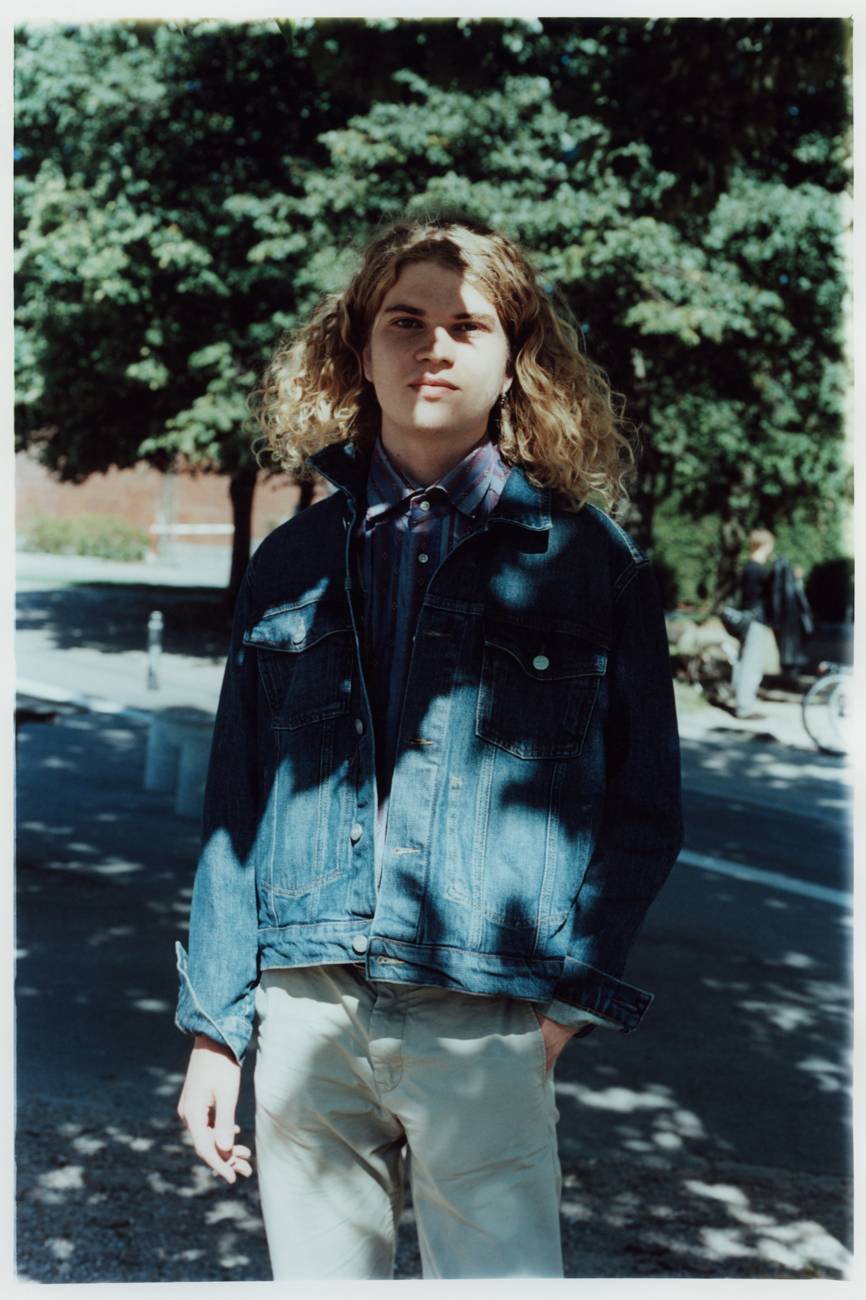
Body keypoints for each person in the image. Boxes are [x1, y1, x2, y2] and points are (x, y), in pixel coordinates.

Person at [175, 217, 683, 1280]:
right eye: (404, 321)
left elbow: (641, 810)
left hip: (488, 1010)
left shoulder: (590, 563)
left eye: (467, 324)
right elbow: (236, 804)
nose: (433, 346)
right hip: (306, 1008)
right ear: (359, 345)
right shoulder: (289, 561)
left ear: (514, 359)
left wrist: (558, 1010)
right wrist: (217, 1030)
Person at [731, 528, 775, 719]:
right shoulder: (759, 570)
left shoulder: (749, 567)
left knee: (743, 662)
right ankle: (744, 708)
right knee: (752, 666)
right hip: (755, 623)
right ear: (763, 544)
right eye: (770, 544)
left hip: (747, 622)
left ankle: (740, 703)